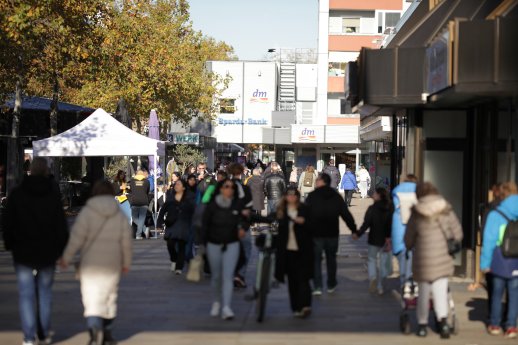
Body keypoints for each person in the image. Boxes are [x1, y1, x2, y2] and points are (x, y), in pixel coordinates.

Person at [2, 157, 69, 345]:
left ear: (30, 170)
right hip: (47, 252)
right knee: (45, 293)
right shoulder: (53, 195)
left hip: (23, 252)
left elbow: (9, 222)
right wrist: (61, 248)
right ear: (47, 171)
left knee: (26, 294)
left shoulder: (17, 194)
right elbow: (61, 226)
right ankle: (43, 330)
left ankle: (29, 336)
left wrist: (10, 243)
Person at [59, 180, 132, 345]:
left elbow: (76, 238)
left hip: (90, 263)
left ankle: (93, 329)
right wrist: (126, 262)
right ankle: (107, 330)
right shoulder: (118, 213)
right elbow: (126, 240)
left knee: (91, 297)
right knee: (110, 297)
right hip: (112, 263)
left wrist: (66, 257)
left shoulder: (87, 212)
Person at [404, 182, 463, 338]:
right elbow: (458, 233)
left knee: (423, 293)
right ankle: (443, 323)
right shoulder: (446, 209)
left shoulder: (416, 212)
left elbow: (408, 238)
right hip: (442, 258)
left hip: (423, 260)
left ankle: (422, 326)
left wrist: (409, 245)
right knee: (440, 291)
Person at [200, 179, 247, 320]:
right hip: (214, 244)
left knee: (228, 276)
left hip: (232, 244)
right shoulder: (212, 206)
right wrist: (203, 244)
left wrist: (243, 228)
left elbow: (244, 220)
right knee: (216, 276)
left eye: (232, 187)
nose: (230, 189)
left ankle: (226, 307)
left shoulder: (236, 205)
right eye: (227, 186)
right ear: (221, 189)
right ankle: (216, 301)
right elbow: (204, 225)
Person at [305, 173, 357, 295]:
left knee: (316, 260)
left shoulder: (312, 196)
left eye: (317, 180)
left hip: (316, 234)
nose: (316, 181)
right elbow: (346, 214)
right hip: (332, 233)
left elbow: (305, 214)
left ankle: (318, 286)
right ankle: (331, 284)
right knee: (331, 259)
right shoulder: (336, 196)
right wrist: (354, 230)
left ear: (322, 181)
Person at [481, 182, 518, 338]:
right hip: (516, 259)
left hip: (499, 257)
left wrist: (484, 263)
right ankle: (511, 326)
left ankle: (495, 325)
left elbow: (489, 240)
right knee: (514, 294)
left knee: (497, 293)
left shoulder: (496, 214)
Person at [274, 187, 314, 318]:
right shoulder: (281, 211)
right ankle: (296, 307)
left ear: (298, 196)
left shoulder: (304, 209)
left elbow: (313, 225)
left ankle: (306, 305)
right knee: (293, 281)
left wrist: (304, 222)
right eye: (289, 195)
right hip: (288, 251)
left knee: (304, 279)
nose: (291, 197)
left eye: (294, 195)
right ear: (285, 196)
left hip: (303, 250)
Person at [353, 187, 393, 295]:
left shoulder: (372, 208)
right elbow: (391, 224)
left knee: (372, 260)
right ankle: (380, 286)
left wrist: (358, 234)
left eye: (375, 193)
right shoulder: (390, 208)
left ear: (379, 195)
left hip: (374, 238)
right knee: (383, 263)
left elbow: (366, 224)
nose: (373, 194)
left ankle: (373, 277)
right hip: (386, 239)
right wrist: (389, 236)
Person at [157, 180, 195, 275]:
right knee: (170, 244)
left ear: (184, 187)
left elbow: (193, 211)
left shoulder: (189, 198)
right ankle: (173, 259)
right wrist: (159, 224)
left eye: (178, 184)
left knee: (182, 246)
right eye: (175, 184)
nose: (176, 186)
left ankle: (179, 267)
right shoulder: (170, 197)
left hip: (184, 225)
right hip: (172, 224)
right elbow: (163, 210)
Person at [227, 163, 253, 288]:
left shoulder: (222, 188)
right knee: (246, 248)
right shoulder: (245, 189)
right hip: (241, 224)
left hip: (225, 225)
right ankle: (239, 274)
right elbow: (249, 209)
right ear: (242, 172)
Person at [391, 174, 418, 289]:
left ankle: (404, 286)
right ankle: (411, 283)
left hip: (399, 232)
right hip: (415, 232)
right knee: (413, 259)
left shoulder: (396, 192)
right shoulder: (419, 192)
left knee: (403, 259)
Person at [128, 170, 150, 240]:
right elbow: (148, 191)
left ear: (136, 174)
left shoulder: (132, 181)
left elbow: (130, 190)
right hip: (144, 201)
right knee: (142, 218)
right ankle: (143, 231)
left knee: (134, 218)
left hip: (134, 201)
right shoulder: (147, 181)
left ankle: (139, 234)